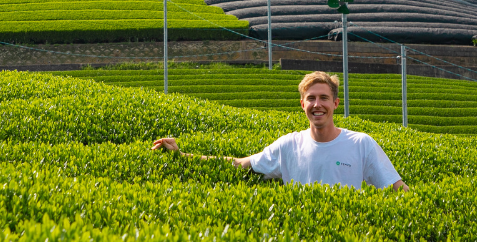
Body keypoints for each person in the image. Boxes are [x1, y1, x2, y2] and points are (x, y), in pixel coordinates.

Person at [151, 71, 409, 191]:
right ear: (302, 104)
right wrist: (181, 155)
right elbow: (239, 164)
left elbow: (397, 187)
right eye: (311, 99)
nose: (317, 105)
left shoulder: (361, 143)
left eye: (323, 98)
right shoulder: (288, 145)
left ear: (335, 103)